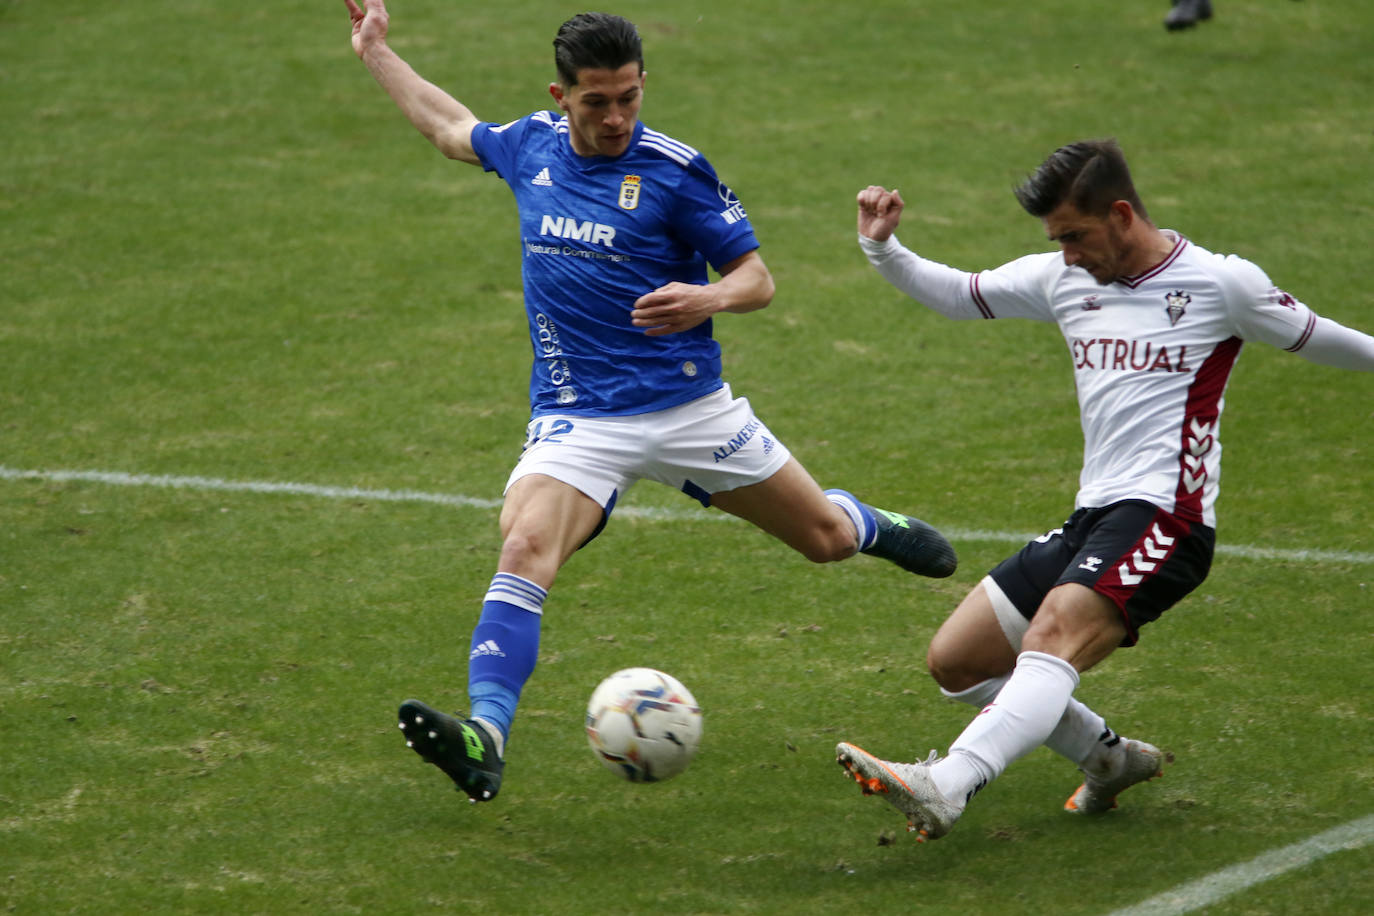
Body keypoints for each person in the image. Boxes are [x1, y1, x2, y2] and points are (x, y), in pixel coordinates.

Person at [343, 0, 957, 804]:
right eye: (597, 101)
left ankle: (867, 521)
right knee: (525, 547)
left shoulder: (674, 171)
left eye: (629, 96)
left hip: (690, 412)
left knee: (826, 542)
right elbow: (447, 126)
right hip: (580, 418)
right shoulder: (530, 147)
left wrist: (707, 302)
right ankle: (484, 734)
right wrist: (376, 52)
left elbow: (756, 280)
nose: (616, 117)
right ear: (561, 97)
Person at [836, 138, 1374, 841]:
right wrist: (883, 249)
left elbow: (1321, 337)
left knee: (1053, 633)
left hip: (1168, 518)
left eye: (1075, 236)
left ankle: (950, 783)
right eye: (1056, 240)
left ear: (1121, 215)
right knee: (958, 661)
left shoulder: (1221, 284)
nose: (1066, 255)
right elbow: (963, 296)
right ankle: (1107, 759)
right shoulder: (1065, 280)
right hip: (1093, 515)